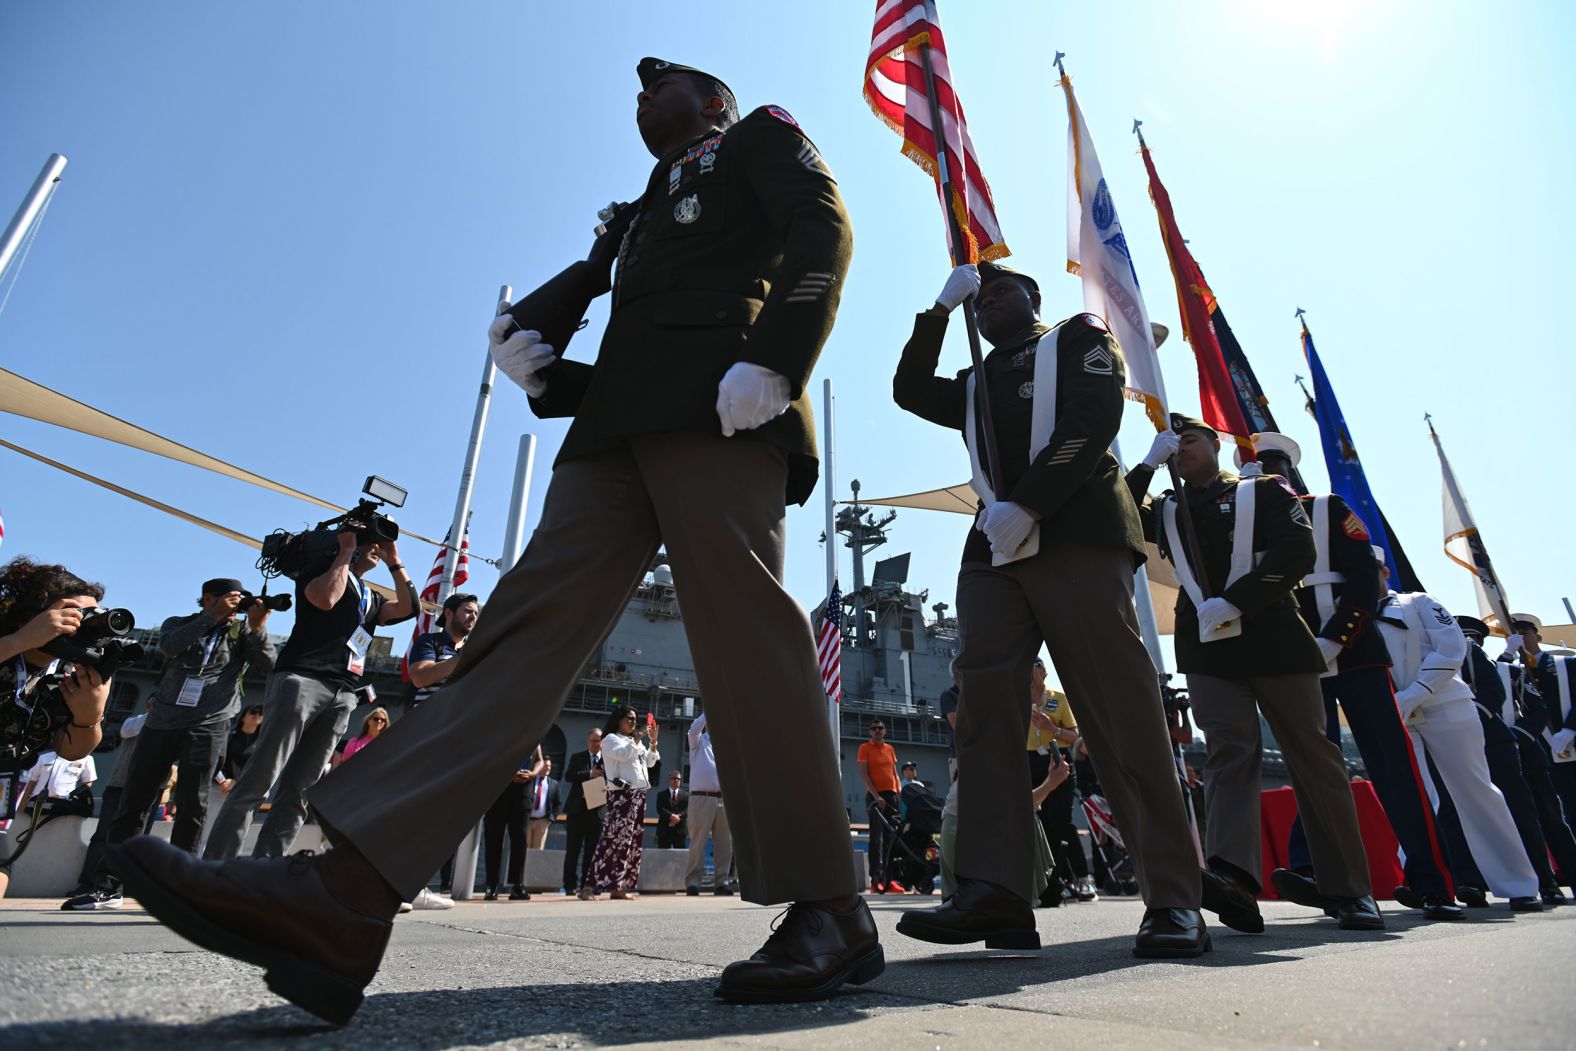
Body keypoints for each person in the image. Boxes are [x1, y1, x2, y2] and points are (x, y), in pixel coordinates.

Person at [113, 56, 872, 1018]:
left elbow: (825, 225)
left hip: (726, 407)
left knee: (746, 639)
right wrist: (547, 362)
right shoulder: (636, 212)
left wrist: (778, 358)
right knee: (517, 635)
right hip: (614, 433)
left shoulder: (758, 133)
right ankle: (344, 895)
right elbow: (614, 321)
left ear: (713, 99)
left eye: (663, 81)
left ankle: (831, 908)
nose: (642, 92)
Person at [892, 261, 1206, 958]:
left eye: (1003, 290)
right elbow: (909, 390)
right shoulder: (975, 378)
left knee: (1115, 707)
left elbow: (1096, 416)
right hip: (993, 548)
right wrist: (938, 312)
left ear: (1034, 297)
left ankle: (1174, 894)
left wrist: (1031, 500)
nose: (990, 300)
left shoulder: (1077, 337)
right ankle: (997, 890)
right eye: (983, 292)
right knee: (985, 715)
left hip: (1074, 526)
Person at [1129, 415, 1379, 931]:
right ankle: (1234, 879)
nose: (1182, 450)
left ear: (1218, 446)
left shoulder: (1264, 491)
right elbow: (1117, 516)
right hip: (1207, 648)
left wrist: (1238, 600)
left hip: (1273, 639)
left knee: (1313, 756)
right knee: (1228, 754)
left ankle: (1350, 888)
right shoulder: (1167, 509)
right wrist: (1147, 465)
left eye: (1190, 439)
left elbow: (1298, 550)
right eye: (1173, 445)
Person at [1247, 435, 1461, 921]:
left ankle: (1432, 881)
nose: (1268, 480)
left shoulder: (1328, 509)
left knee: (1394, 768)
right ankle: (1311, 869)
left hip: (1357, 652)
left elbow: (1366, 576)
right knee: (1310, 767)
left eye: (1274, 471)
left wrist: (1337, 638)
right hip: (1297, 664)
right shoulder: (1244, 527)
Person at [201, 525, 418, 863]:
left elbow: (409, 608)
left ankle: (264, 871)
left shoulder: (370, 597)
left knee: (300, 792)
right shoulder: (319, 571)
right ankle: (215, 870)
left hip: (342, 692)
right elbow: (325, 599)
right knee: (259, 781)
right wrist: (346, 551)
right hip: (303, 680)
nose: (376, 546)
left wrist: (394, 559)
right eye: (370, 543)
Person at [86, 578, 279, 902]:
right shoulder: (180, 623)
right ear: (207, 598)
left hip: (209, 724)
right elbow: (169, 646)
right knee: (135, 801)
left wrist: (257, 628)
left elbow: (269, 665)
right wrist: (211, 617)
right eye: (228, 600)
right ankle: (109, 884)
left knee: (193, 805)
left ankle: (179, 887)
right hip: (163, 722)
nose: (234, 607)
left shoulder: (240, 633)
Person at [1371, 567, 1542, 910]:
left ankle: (1519, 882)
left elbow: (1450, 649)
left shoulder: (1417, 602)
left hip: (1444, 704)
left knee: (1476, 790)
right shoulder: (1350, 614)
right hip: (1395, 716)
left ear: (1384, 571)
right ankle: (1425, 882)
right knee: (1415, 799)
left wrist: (1415, 692)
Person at [1454, 615, 1574, 905]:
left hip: (1524, 751)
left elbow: (1537, 710)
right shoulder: (1450, 676)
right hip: (1480, 751)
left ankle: (1551, 881)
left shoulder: (1510, 672)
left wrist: (1516, 737)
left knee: (1541, 815)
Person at [68, 701, 158, 906]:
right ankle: (89, 883)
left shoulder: (169, 730)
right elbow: (128, 731)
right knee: (103, 837)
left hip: (149, 790)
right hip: (119, 786)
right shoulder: (134, 722)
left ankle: (127, 886)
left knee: (140, 840)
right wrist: (158, 713)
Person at [1028, 662, 1095, 905]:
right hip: (1030, 762)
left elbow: (1075, 735)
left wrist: (1050, 728)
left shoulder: (1059, 698)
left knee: (1061, 820)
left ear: (1043, 671)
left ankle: (1084, 877)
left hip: (1059, 758)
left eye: (1033, 665)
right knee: (1042, 822)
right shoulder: (1015, 697)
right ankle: (1058, 880)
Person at [1499, 615, 1576, 822]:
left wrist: (1571, 728)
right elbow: (1496, 685)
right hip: (1543, 750)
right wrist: (1507, 654)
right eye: (1516, 636)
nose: (1521, 639)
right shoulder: (1512, 671)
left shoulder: (1568, 664)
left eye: (1525, 634)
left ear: (1538, 636)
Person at [586, 705, 658, 900]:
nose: (634, 723)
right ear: (619, 720)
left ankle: (620, 886)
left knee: (632, 842)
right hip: (622, 796)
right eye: (630, 718)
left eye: (636, 719)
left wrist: (652, 743)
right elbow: (623, 754)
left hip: (639, 794)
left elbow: (649, 762)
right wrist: (638, 737)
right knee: (612, 840)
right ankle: (589, 885)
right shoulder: (610, 739)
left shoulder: (633, 741)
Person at [484, 743, 545, 901]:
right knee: (494, 838)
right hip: (498, 793)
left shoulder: (534, 736)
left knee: (520, 840)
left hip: (522, 794)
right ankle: (492, 885)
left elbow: (540, 760)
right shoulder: (505, 733)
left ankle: (517, 885)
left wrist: (532, 774)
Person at [684, 711, 734, 896]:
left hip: (723, 798)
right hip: (700, 797)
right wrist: (710, 711)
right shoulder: (698, 741)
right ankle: (693, 882)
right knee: (698, 842)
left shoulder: (727, 747)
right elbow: (692, 730)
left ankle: (722, 881)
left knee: (724, 844)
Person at [406, 593, 479, 707]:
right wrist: (464, 654)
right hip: (430, 721)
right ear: (448, 613)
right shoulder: (429, 641)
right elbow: (420, 677)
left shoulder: (477, 650)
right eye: (468, 611)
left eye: (476, 613)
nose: (473, 617)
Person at [858, 720, 902, 893]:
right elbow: (864, 774)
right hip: (875, 797)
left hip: (891, 796)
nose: (877, 731)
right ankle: (876, 881)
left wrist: (898, 791)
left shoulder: (890, 749)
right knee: (876, 838)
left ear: (885, 731)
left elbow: (894, 772)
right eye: (873, 728)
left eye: (880, 728)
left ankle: (889, 879)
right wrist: (877, 796)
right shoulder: (864, 748)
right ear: (870, 732)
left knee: (891, 839)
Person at [561, 729, 606, 895]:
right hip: (577, 810)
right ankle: (569, 885)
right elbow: (569, 776)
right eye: (593, 740)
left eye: (598, 741)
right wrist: (589, 774)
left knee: (592, 851)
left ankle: (587, 885)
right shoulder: (577, 757)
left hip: (597, 811)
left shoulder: (608, 761)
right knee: (573, 849)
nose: (595, 744)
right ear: (588, 741)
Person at [526, 757, 559, 851]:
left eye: (549, 766)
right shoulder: (530, 781)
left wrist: (550, 819)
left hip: (542, 822)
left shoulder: (553, 784)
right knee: (524, 850)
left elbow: (558, 804)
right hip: (527, 821)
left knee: (538, 851)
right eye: (545, 766)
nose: (548, 768)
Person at [656, 770, 688, 849]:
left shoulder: (686, 795)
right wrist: (671, 816)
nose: (676, 780)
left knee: (679, 858)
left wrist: (678, 817)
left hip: (680, 831)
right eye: (674, 778)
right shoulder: (661, 795)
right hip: (664, 830)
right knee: (662, 857)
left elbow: (688, 810)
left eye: (678, 779)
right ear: (669, 780)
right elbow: (660, 809)